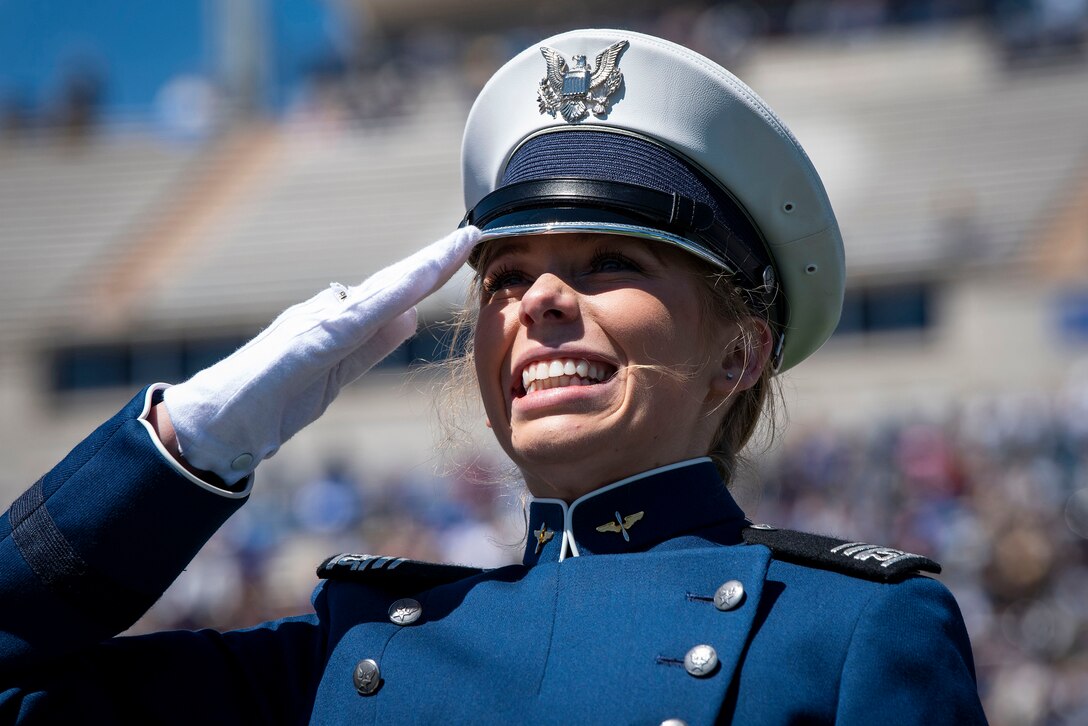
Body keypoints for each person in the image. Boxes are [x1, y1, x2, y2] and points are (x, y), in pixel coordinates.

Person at [0, 29, 986, 724]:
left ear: (739, 351)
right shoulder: (351, 652)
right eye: (505, 277)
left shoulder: (845, 632)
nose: (537, 301)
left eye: (610, 263)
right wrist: (183, 449)